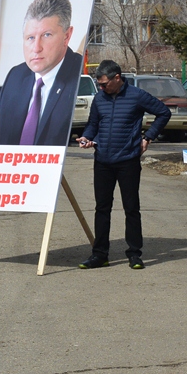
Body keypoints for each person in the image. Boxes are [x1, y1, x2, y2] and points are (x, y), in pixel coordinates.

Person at [75, 60, 171, 270]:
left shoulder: (136, 95)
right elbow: (93, 124)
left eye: (104, 83)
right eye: (99, 84)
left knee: (131, 208)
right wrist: (86, 138)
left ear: (117, 78)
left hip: (128, 160)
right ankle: (100, 254)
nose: (101, 88)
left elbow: (164, 112)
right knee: (102, 208)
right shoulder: (100, 99)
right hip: (102, 161)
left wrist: (148, 137)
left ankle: (134, 254)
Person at [0, 0, 83, 146]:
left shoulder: (77, 75)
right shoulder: (16, 76)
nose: (36, 48)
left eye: (46, 35)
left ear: (67, 36)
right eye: (30, 38)